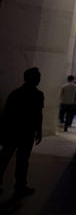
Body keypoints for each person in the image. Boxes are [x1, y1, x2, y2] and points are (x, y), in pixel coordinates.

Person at [0, 67, 44, 199]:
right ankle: (20, 185)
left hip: (13, 131)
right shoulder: (38, 94)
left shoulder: (15, 93)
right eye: (37, 77)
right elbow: (38, 115)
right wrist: (39, 130)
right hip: (26, 132)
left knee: (4, 158)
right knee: (23, 160)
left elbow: (6, 114)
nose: (39, 79)